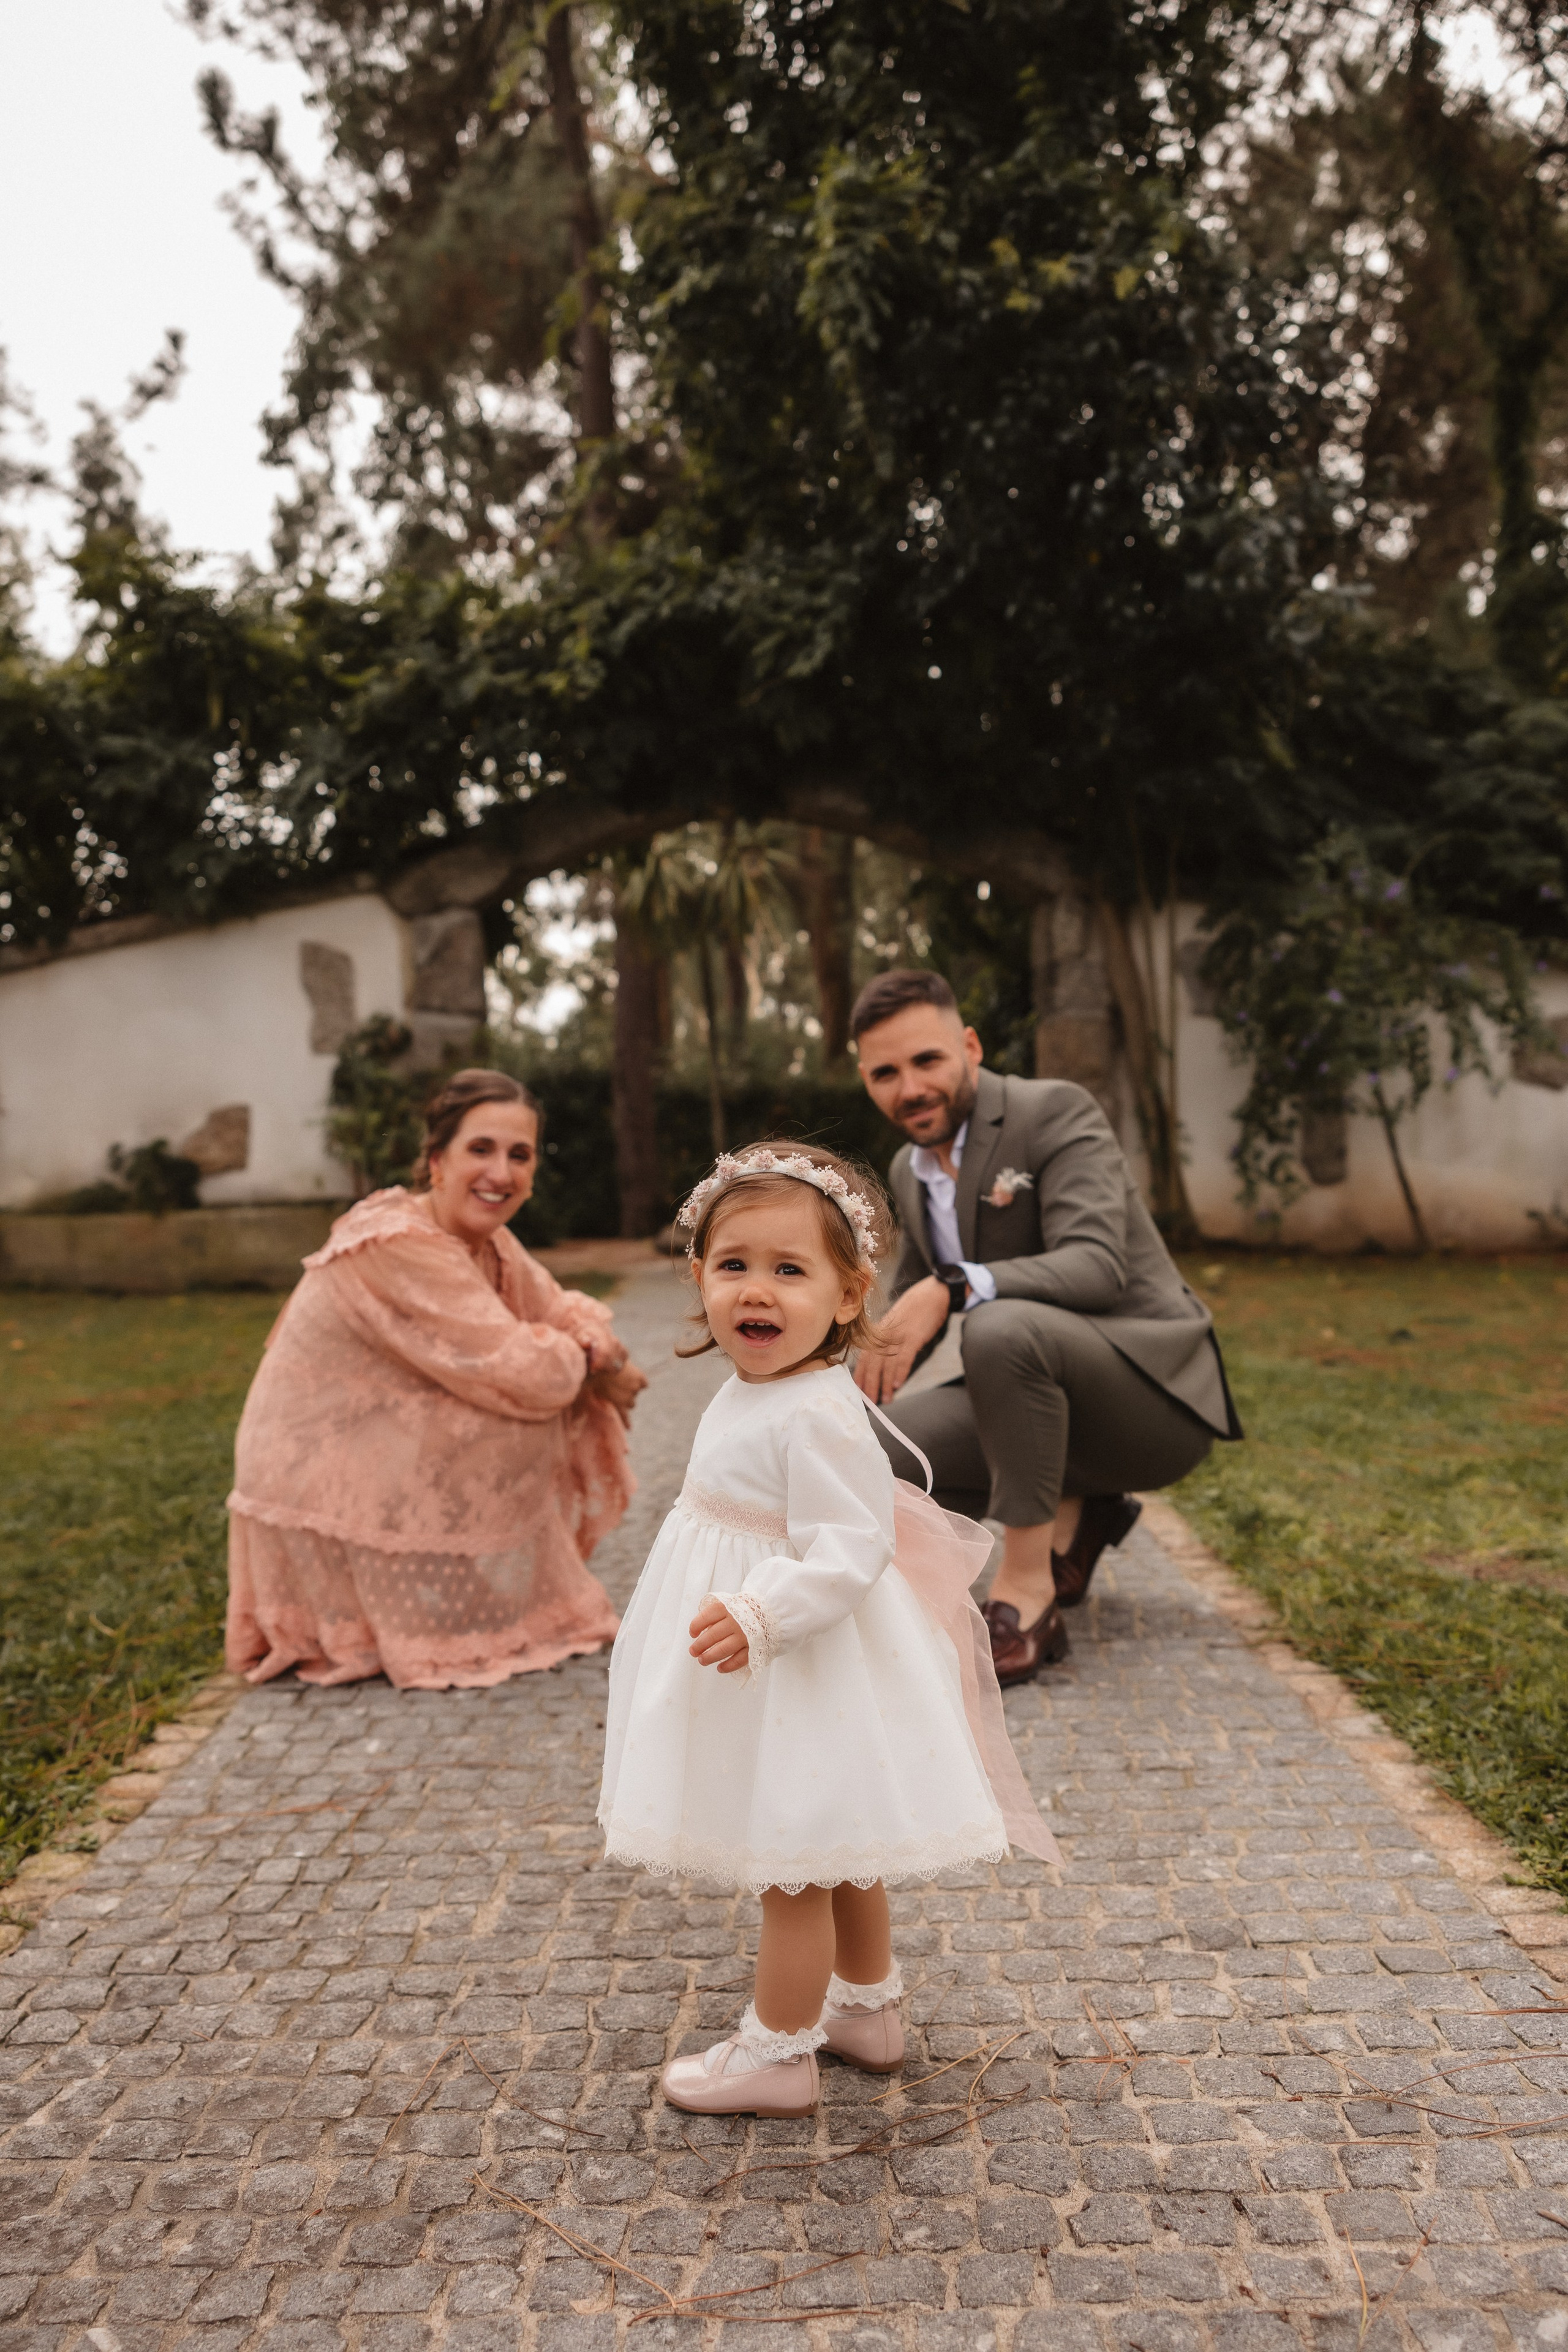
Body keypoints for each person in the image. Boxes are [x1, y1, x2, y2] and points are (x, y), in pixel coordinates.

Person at [598, 1142, 1057, 2120]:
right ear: (699, 1278)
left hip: (799, 1659)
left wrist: (762, 1611)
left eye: (789, 1270)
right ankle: (867, 2007)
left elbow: (852, 1547)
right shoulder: (756, 1389)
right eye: (734, 1266)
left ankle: (778, 2054)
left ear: (849, 1298)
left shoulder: (816, 1412)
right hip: (775, 1663)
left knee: (793, 1860)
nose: (756, 1292)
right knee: (841, 1846)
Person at [851, 970, 1242, 1686]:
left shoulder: (1053, 1112)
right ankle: (1079, 1516)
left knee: (999, 1329)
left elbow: (1097, 1267)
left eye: (927, 1060)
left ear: (969, 1046)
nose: (909, 1088)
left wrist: (955, 1285)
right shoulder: (910, 1168)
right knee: (866, 1455)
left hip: (1151, 1400)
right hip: (1036, 1395)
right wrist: (839, 1385)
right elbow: (910, 1306)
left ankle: (1027, 1594)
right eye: (885, 1073)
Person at [226, 1068, 646, 1691]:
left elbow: (557, 1309)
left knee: (537, 1398)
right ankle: (402, 1612)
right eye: (481, 1149)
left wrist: (598, 1357)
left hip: (366, 1449)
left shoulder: (488, 1241)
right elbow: (525, 1371)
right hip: (310, 1481)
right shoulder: (398, 1242)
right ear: (436, 1161)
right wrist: (600, 1367)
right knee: (520, 1414)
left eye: (519, 1155)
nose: (501, 1173)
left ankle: (447, 1591)